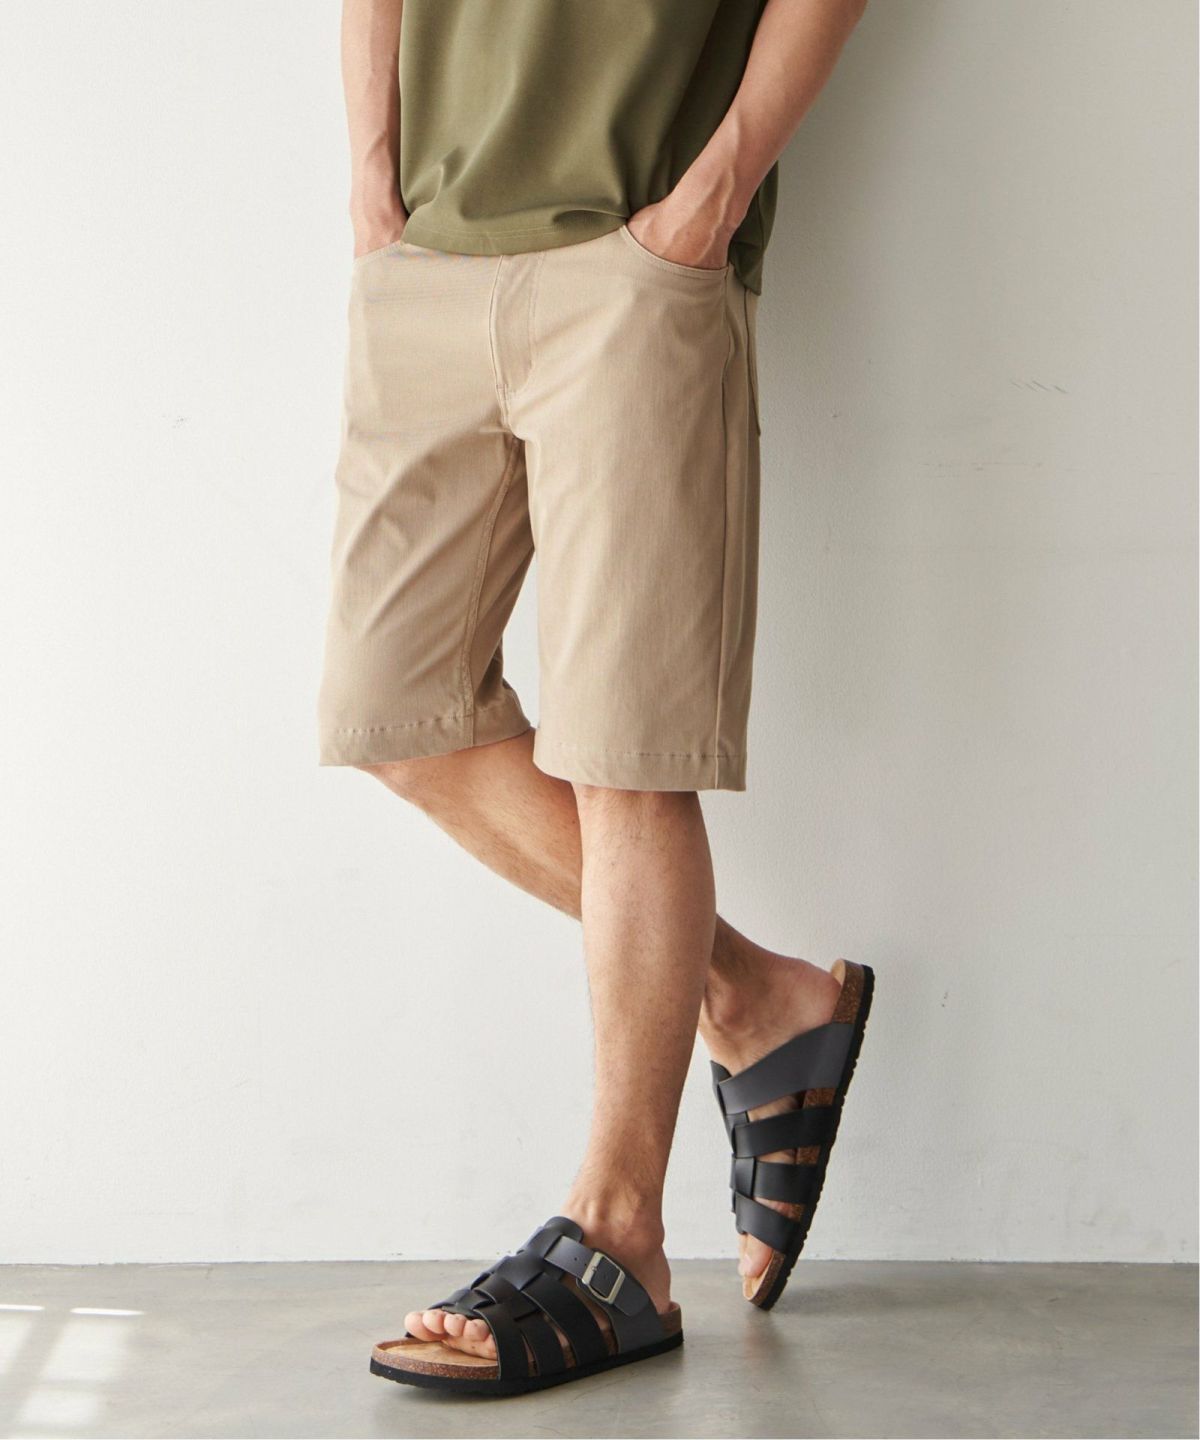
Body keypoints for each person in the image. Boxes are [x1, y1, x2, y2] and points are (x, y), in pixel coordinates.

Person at [320, 0, 872, 1397]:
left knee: (627, 748)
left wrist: (711, 199)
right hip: (425, 255)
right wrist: (375, 185)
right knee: (393, 712)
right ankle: (751, 993)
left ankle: (622, 1233)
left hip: (637, 253)